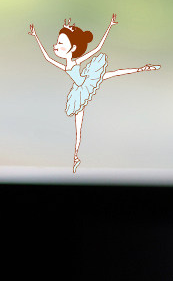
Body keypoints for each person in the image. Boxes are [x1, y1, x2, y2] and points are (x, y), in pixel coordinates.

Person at [28, 14, 160, 171]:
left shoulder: (76, 62)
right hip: (79, 89)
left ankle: (143, 68)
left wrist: (110, 26)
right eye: (57, 42)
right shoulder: (67, 65)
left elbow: (97, 48)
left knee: (113, 74)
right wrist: (36, 36)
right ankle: (76, 156)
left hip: (86, 81)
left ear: (73, 48)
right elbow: (48, 58)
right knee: (79, 124)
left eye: (61, 43)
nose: (56, 45)